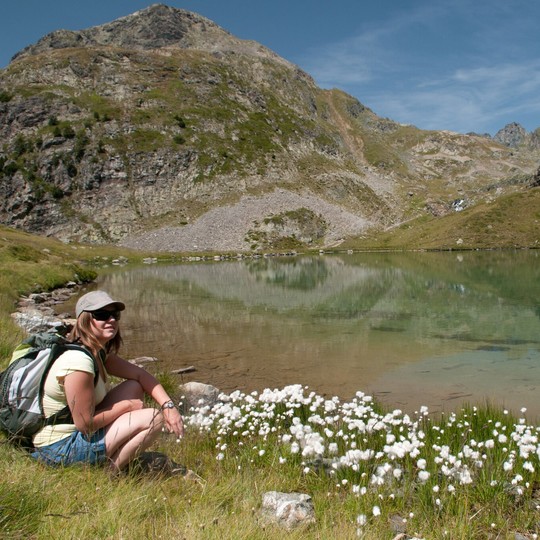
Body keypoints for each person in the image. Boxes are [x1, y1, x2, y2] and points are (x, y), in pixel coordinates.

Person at [30, 290, 184, 471]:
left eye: (115, 315)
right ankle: (110, 473)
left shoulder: (97, 353)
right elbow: (85, 424)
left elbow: (141, 376)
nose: (111, 320)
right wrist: (126, 406)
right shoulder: (79, 363)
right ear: (84, 320)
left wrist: (168, 406)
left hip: (74, 437)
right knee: (153, 419)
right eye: (102, 315)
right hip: (58, 450)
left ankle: (110, 458)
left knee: (134, 386)